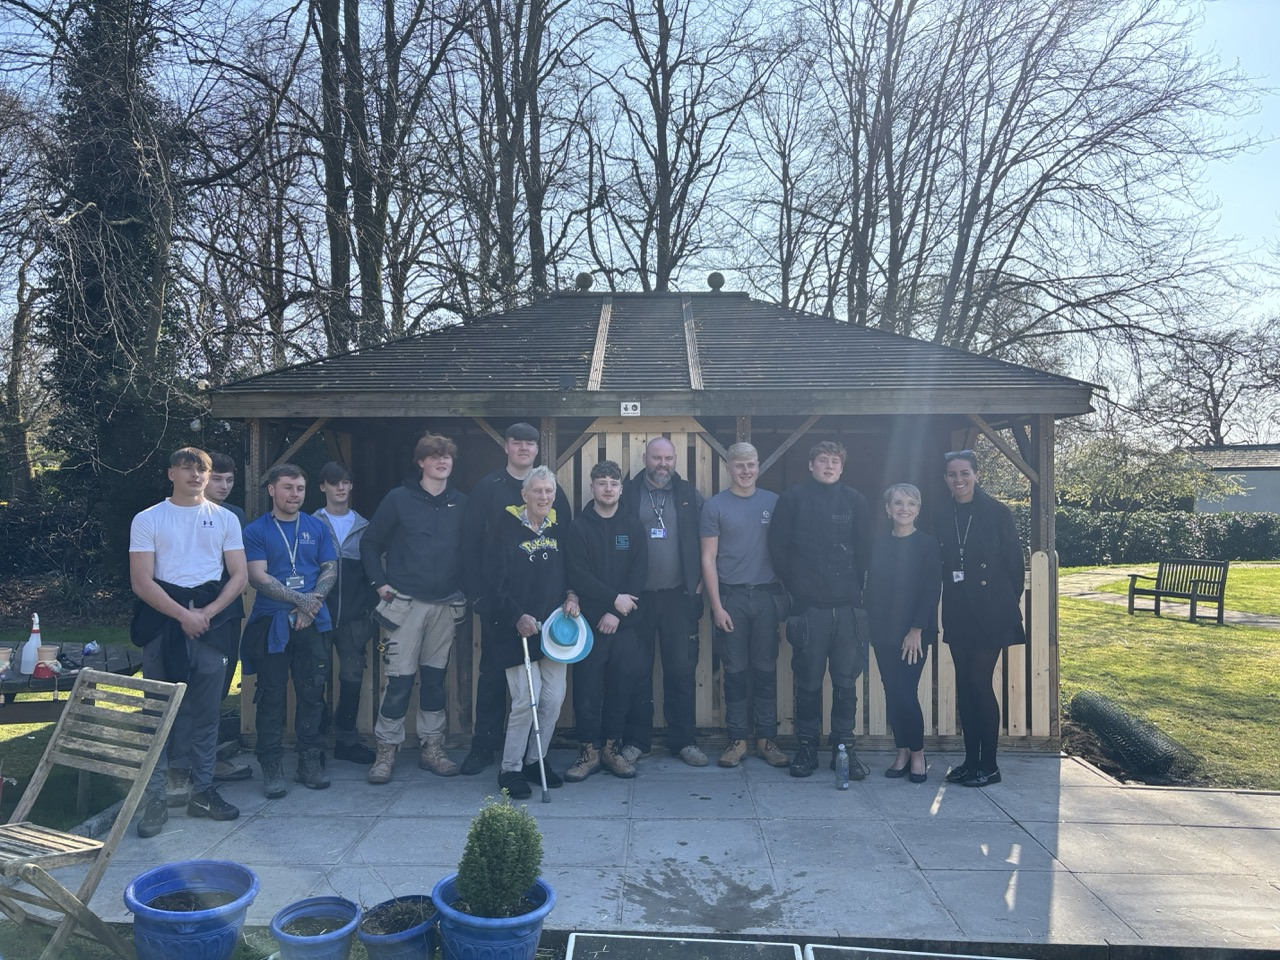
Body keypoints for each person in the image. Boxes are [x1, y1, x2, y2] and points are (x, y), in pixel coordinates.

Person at [129, 447, 247, 837]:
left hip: (212, 627)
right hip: (164, 628)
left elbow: (239, 576)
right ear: (171, 474)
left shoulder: (225, 519)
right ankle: (155, 799)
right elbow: (142, 580)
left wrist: (207, 613)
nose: (196, 475)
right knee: (157, 715)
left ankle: (203, 791)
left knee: (207, 712)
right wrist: (184, 615)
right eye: (188, 468)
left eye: (203, 469)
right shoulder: (148, 519)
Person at [460, 422, 571, 776]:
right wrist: (479, 596)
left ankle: (534, 757)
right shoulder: (488, 488)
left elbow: (567, 550)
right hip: (501, 605)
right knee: (495, 680)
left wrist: (571, 592)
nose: (524, 448)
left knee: (546, 695)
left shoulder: (557, 499)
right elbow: (471, 543)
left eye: (530, 443)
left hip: (547, 613)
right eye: (517, 442)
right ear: (506, 446)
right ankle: (485, 748)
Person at [361, 433, 469, 784]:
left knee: (435, 682)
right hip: (405, 604)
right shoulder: (398, 499)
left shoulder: (461, 502)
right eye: (434, 456)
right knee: (399, 683)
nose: (442, 461)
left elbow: (475, 549)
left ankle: (432, 748)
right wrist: (380, 584)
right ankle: (385, 751)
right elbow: (370, 542)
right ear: (421, 462)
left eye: (447, 457)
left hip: (446, 604)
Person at [768, 440, 872, 779]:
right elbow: (777, 548)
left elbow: (866, 550)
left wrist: (858, 594)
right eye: (823, 460)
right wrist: (798, 590)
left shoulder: (856, 501)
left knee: (846, 682)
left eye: (835, 462)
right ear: (811, 465)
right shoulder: (792, 499)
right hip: (808, 609)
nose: (829, 466)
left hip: (846, 610)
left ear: (842, 468)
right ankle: (807, 747)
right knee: (808, 682)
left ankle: (844, 749)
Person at [242, 463, 337, 797]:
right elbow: (258, 576)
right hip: (272, 623)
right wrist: (302, 601)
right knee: (271, 695)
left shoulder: (317, 527)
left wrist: (311, 605)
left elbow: (329, 567)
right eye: (287, 488)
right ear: (272, 490)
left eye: (299, 488)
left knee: (313, 692)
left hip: (312, 622)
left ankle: (310, 761)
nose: (294, 494)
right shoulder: (256, 531)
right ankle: (271, 765)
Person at [484, 466, 579, 799]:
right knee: (527, 699)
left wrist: (572, 594)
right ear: (524, 494)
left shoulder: (558, 528)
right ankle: (509, 769)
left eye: (549, 492)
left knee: (553, 698)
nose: (543, 497)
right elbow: (493, 582)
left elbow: (571, 570)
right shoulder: (504, 528)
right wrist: (516, 615)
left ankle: (534, 761)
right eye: (537, 491)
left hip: (553, 629)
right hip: (517, 630)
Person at [935, 450, 1026, 787]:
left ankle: (989, 765)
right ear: (945, 478)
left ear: (976, 474)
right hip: (959, 609)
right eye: (951, 474)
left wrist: (1001, 603)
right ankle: (969, 760)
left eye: (964, 473)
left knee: (979, 684)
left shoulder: (997, 512)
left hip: (991, 611)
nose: (958, 480)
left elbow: (1015, 566)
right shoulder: (943, 515)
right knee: (965, 687)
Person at [700, 442, 788, 769]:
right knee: (734, 672)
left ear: (759, 465)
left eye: (751, 464)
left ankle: (767, 740)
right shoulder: (714, 506)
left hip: (766, 597)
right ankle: (736, 740)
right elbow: (708, 559)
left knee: (765, 670)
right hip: (732, 597)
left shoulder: (774, 503)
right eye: (739, 465)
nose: (746, 471)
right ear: (729, 468)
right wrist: (717, 605)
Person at [621, 437, 707, 767]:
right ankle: (636, 741)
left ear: (675, 460)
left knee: (681, 670)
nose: (663, 464)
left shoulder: (688, 495)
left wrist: (698, 580)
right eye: (657, 457)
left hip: (678, 597)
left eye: (668, 458)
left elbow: (708, 538)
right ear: (646, 458)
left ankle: (684, 741)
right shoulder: (627, 493)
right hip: (636, 598)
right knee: (636, 671)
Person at [565, 460, 648, 780]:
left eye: (614, 483)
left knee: (621, 686)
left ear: (621, 488)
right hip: (588, 624)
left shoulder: (633, 524)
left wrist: (616, 611)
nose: (608, 488)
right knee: (586, 688)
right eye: (602, 483)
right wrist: (610, 602)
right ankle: (588, 751)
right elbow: (578, 575)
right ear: (592, 487)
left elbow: (639, 571)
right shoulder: (578, 528)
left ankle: (612, 750)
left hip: (623, 623)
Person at [865, 483, 942, 783]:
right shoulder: (879, 544)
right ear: (888, 509)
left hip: (914, 632)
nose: (904, 508)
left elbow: (930, 589)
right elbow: (874, 589)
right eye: (898, 503)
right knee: (891, 692)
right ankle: (901, 751)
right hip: (884, 630)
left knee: (906, 693)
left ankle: (918, 753)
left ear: (918, 509)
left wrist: (916, 630)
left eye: (911, 503)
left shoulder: (927, 544)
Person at [314, 461, 377, 765]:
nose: (341, 487)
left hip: (354, 619)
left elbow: (373, 572)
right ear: (323, 486)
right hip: (317, 617)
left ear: (351, 486)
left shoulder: (365, 527)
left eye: (346, 482)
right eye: (334, 482)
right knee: (313, 678)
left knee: (351, 679)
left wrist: (368, 607)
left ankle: (346, 740)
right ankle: (312, 744)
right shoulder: (310, 524)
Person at [205, 451, 253, 784]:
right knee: (192, 688)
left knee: (220, 687)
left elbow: (243, 566)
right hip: (189, 610)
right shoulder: (179, 514)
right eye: (217, 478)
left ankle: (209, 758)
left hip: (229, 612)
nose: (224, 486)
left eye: (230, 479)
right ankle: (182, 764)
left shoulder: (236, 515)